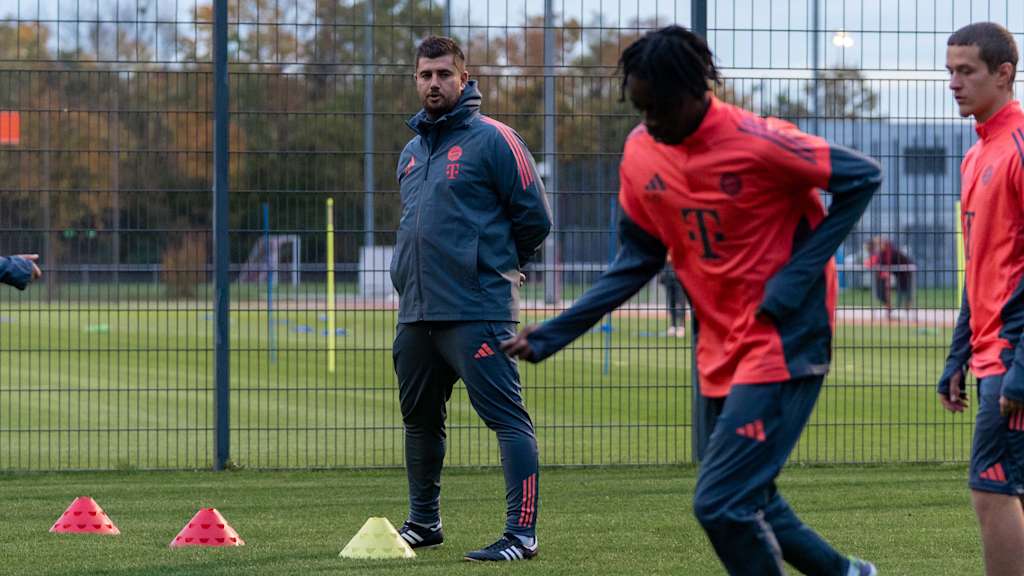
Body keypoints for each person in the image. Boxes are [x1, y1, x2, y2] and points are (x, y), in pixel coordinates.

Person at [500, 25, 880, 576]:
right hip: (717, 345)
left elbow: (863, 178)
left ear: (700, 91)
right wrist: (556, 330)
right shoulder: (640, 154)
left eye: (662, 107)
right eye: (640, 107)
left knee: (720, 501)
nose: (650, 120)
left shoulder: (760, 140)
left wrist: (797, 277)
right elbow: (635, 262)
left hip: (784, 338)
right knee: (751, 497)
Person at [389, 36, 552, 562]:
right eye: (424, 75)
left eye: (442, 74)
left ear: (463, 77)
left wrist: (503, 265)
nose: (433, 83)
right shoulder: (411, 153)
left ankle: (521, 535)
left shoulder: (495, 140)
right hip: (416, 312)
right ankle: (423, 523)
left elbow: (536, 218)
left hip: (478, 310)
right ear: (415, 81)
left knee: (507, 420)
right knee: (419, 420)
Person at [939, 22, 1024, 576]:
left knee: (991, 492)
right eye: (949, 71)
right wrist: (958, 352)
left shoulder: (1018, 147)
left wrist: (1021, 366)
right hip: (991, 352)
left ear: (1004, 73)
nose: (953, 83)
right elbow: (983, 266)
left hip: (1014, 356)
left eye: (965, 71)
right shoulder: (976, 155)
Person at [863, 236, 914, 317]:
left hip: (906, 271)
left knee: (906, 291)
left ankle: (906, 311)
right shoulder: (881, 253)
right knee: (883, 291)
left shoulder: (889, 251)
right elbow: (875, 264)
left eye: (880, 244)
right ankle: (891, 309)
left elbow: (885, 263)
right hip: (897, 272)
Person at [660, 255, 687, 337]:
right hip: (668, 274)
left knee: (681, 302)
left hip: (680, 275)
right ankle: (673, 326)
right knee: (671, 302)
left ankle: (681, 327)